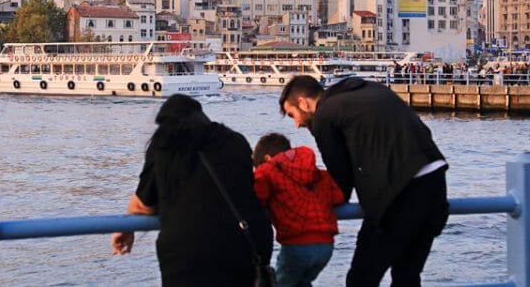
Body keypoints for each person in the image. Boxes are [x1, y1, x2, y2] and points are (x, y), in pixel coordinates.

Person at [279, 76, 449, 287]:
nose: (296, 124)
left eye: (292, 115)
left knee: (361, 279)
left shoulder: (325, 115)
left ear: (303, 102)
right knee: (407, 275)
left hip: (400, 195)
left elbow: (340, 178)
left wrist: (314, 203)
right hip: (435, 180)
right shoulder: (366, 88)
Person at [111, 94, 273, 286]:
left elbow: (144, 205)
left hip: (189, 257)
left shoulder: (164, 145)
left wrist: (127, 225)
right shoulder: (235, 140)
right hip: (247, 247)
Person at [253, 132, 345, 287]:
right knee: (302, 282)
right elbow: (338, 197)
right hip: (325, 246)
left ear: (267, 158)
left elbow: (257, 199)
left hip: (296, 246)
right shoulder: (316, 172)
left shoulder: (267, 170)